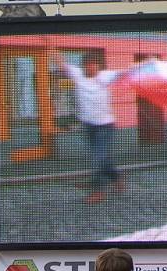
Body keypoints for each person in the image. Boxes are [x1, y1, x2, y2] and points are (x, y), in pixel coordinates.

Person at [56, 52, 125, 204]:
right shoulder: (78, 75)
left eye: (94, 64)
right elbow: (62, 64)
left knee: (97, 157)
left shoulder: (105, 76)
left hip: (105, 126)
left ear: (98, 66)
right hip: (88, 125)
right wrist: (52, 48)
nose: (91, 67)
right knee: (103, 157)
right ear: (84, 66)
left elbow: (127, 72)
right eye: (88, 64)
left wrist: (147, 63)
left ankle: (98, 191)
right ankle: (117, 178)